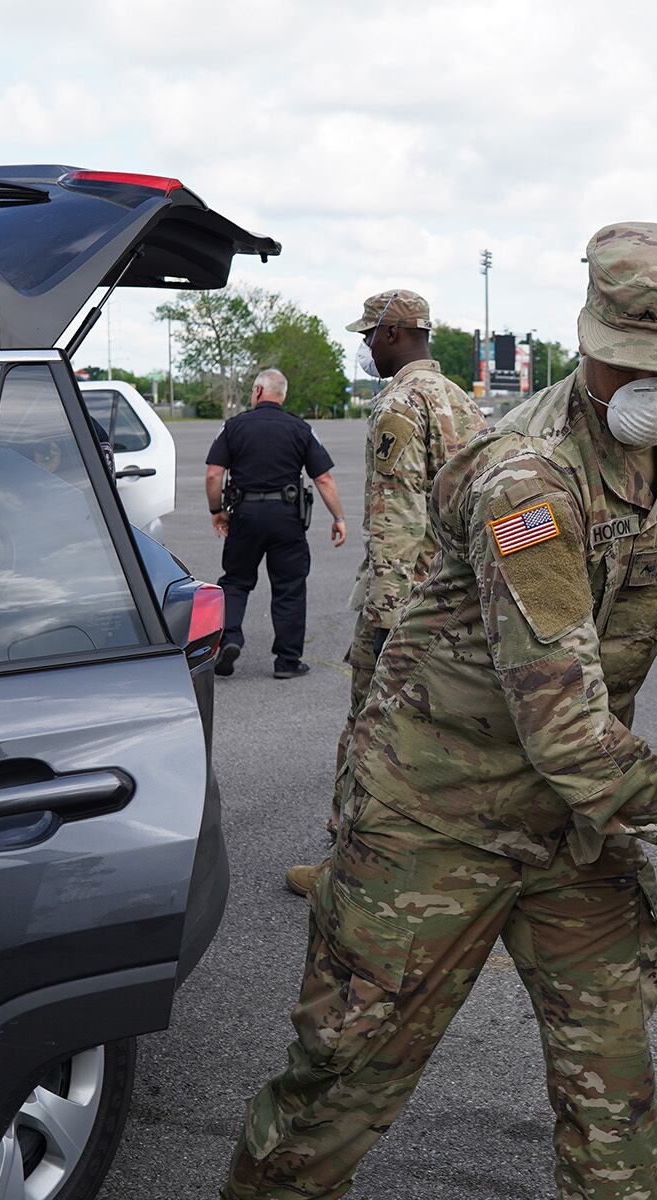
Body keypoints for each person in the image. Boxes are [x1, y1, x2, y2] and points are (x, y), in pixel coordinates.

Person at [221, 222, 657, 1200]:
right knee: (342, 1078)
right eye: (630, 359)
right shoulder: (526, 479)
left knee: (613, 1081)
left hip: (571, 823)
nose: (653, 385)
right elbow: (564, 727)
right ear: (585, 331)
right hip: (435, 815)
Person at [283, 289, 485, 898]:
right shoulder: (460, 402)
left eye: (369, 335)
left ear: (394, 334)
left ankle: (350, 857)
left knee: (370, 725)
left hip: (405, 598)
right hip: (457, 592)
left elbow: (394, 515)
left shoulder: (399, 402)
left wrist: (385, 612)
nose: (366, 347)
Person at [205, 369, 346, 680]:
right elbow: (323, 478)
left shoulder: (233, 426)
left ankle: (229, 639)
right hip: (287, 518)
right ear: (283, 395)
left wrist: (217, 510)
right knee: (289, 587)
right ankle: (287, 661)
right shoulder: (301, 428)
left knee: (236, 581)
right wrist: (338, 517)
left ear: (258, 390)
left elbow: (214, 474)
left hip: (245, 515)